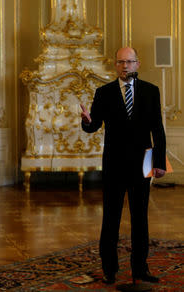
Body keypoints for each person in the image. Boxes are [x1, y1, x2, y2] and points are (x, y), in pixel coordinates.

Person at [80, 47, 166, 285]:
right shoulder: (104, 92)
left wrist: (159, 163)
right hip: (114, 165)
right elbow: (93, 125)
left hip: (142, 164)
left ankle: (140, 269)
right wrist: (87, 121)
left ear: (138, 64)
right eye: (121, 62)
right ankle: (110, 269)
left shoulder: (151, 91)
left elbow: (157, 129)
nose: (125, 66)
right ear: (115, 65)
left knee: (140, 220)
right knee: (110, 219)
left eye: (129, 62)